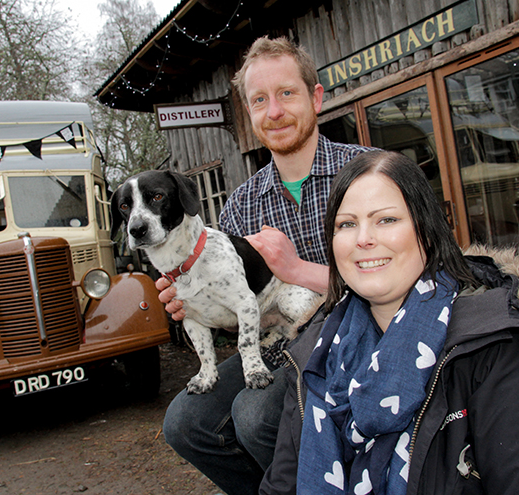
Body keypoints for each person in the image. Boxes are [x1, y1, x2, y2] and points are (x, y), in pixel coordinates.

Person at [261, 149, 519, 494]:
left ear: (428, 230)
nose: (363, 239)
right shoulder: (318, 351)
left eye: (386, 220)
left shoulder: (502, 351)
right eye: (346, 224)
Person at [158, 36, 373, 495]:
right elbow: (239, 311)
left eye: (286, 93)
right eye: (259, 100)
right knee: (184, 423)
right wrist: (195, 304)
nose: (274, 111)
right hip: (281, 342)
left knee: (254, 416)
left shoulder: (367, 172)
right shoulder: (240, 205)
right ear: (248, 113)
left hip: (365, 333)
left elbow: (414, 276)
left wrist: (296, 269)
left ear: (316, 98)